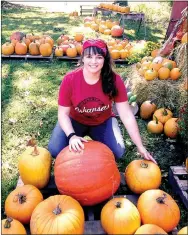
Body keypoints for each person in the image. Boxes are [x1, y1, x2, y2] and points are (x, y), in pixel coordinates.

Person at [48, 39, 157, 164]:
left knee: (118, 152)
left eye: (98, 57)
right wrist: (71, 135)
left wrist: (140, 146)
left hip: (102, 122)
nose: (93, 61)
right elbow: (63, 114)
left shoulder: (114, 80)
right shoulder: (70, 80)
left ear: (105, 59)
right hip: (75, 121)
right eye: (89, 57)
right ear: (83, 58)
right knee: (56, 150)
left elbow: (127, 115)